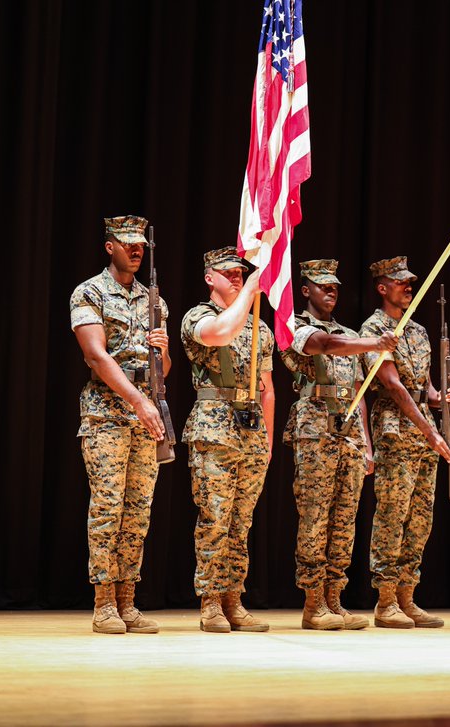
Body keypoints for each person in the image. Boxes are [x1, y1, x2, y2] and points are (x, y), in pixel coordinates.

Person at [281, 258, 399, 630]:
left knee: (344, 519)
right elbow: (324, 344)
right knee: (315, 518)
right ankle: (313, 603)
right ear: (306, 291)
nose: (331, 292)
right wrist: (374, 342)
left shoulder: (349, 333)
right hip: (315, 431)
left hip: (348, 434)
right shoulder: (296, 327)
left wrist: (365, 441)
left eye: (335, 286)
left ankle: (335, 598)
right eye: (322, 286)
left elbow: (359, 392)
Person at [70, 215, 170, 635]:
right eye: (127, 243)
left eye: (140, 245)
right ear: (109, 246)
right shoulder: (89, 292)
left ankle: (128, 599)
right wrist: (138, 401)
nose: (135, 250)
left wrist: (162, 352)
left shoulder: (154, 300)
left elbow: (162, 370)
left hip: (146, 411)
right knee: (108, 506)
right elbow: (96, 355)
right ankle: (104, 602)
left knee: (138, 511)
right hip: (107, 413)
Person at [180, 247, 275, 633]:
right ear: (209, 277)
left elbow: (267, 388)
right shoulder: (197, 317)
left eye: (241, 273)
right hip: (214, 429)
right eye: (229, 273)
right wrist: (252, 289)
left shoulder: (260, 329)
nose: (237, 277)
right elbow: (221, 333)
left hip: (251, 432)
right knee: (215, 518)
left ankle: (234, 598)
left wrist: (266, 441)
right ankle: (211, 603)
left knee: (241, 522)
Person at [360, 256, 450, 628]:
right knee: (392, 516)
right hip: (395, 430)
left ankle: (407, 595)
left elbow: (422, 387)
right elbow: (394, 386)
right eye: (400, 282)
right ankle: (385, 603)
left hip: (422, 433)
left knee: (420, 518)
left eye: (409, 281)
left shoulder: (417, 331)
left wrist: (440, 398)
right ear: (382, 287)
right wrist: (430, 430)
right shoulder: (375, 329)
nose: (408, 287)